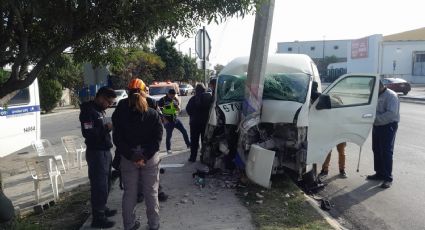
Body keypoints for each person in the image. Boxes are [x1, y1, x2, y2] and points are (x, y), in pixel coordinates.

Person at [112, 79, 163, 230]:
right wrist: (145, 156)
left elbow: (117, 138)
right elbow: (158, 138)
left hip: (129, 158)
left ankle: (129, 225)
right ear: (144, 92)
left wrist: (132, 156)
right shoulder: (153, 113)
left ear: (128, 92)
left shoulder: (120, 112)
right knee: (151, 193)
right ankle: (154, 225)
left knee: (130, 194)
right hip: (150, 158)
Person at [79, 87, 117, 228]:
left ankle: (103, 208)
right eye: (108, 101)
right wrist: (107, 128)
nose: (109, 105)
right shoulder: (88, 111)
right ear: (101, 97)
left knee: (106, 183)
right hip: (96, 153)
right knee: (99, 186)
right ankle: (98, 217)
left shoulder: (99, 110)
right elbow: (89, 133)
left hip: (105, 151)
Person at [367, 80, 400, 189]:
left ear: (380, 86)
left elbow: (391, 114)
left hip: (388, 126)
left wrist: (375, 119)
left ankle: (387, 178)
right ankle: (379, 173)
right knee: (376, 149)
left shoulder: (391, 96)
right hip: (377, 125)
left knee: (386, 151)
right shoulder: (376, 94)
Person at [157, 88, 191, 154]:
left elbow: (177, 108)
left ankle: (189, 145)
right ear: (168, 94)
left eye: (174, 95)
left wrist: (178, 108)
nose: (173, 96)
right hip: (168, 121)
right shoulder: (163, 100)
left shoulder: (175, 99)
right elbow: (158, 111)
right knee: (169, 136)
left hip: (175, 119)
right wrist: (164, 119)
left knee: (184, 131)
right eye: (171, 95)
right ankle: (168, 149)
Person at [186, 83, 213, 162]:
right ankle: (203, 157)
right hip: (205, 123)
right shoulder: (208, 99)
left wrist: (193, 115)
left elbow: (188, 110)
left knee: (194, 141)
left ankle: (193, 158)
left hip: (194, 123)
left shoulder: (192, 99)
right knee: (204, 140)